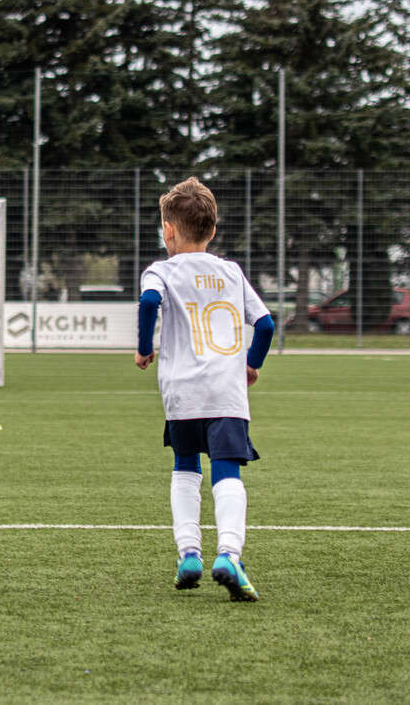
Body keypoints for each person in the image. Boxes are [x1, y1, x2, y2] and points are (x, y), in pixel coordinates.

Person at [134, 177, 274, 602]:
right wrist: (251, 365)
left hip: (181, 395)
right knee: (227, 472)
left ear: (168, 231)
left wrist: (144, 350)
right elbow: (265, 324)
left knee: (185, 468)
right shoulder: (231, 271)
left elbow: (147, 303)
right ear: (212, 231)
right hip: (226, 394)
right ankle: (229, 553)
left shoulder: (160, 269)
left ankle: (188, 553)